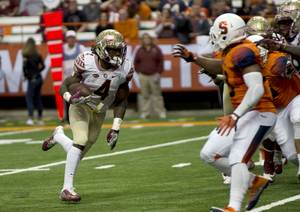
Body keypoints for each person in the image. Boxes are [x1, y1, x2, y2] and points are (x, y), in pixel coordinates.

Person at [172, 13, 277, 212]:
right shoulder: (233, 52)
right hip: (246, 114)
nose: (214, 37)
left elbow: (256, 89)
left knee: (237, 157)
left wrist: (236, 115)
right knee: (209, 154)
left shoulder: (244, 51)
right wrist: (194, 58)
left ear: (226, 32)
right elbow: (222, 66)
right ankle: (255, 182)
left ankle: (233, 208)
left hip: (259, 112)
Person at [42, 29, 134, 202]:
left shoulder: (126, 68)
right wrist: (70, 99)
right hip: (81, 106)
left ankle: (59, 136)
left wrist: (116, 129)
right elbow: (65, 84)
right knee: (81, 141)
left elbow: (122, 100)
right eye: (111, 49)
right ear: (100, 48)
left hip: (100, 111)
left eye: (118, 49)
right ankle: (66, 189)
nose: (116, 53)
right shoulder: (86, 61)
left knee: (78, 151)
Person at [256, 0, 300, 180]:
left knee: (298, 119)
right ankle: (280, 156)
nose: (283, 26)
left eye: (287, 22)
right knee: (290, 154)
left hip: (296, 92)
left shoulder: (287, 41)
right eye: (280, 22)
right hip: (287, 93)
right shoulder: (276, 38)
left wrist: (281, 47)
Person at [134, 33, 167, 119]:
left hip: (154, 75)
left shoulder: (156, 49)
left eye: (148, 38)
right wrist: (139, 72)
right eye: (145, 38)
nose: (147, 40)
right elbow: (136, 62)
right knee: (144, 95)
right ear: (142, 40)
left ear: (151, 39)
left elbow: (161, 61)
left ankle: (161, 112)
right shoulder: (140, 50)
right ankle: (145, 113)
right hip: (143, 75)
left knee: (157, 94)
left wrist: (159, 72)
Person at [62, 30, 86, 124]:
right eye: (69, 37)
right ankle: (68, 119)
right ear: (66, 39)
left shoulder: (80, 48)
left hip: (78, 79)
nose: (71, 39)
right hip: (66, 78)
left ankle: (81, 117)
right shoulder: (62, 48)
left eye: (72, 37)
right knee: (68, 99)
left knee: (80, 98)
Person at [22, 37, 45, 126]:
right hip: (39, 78)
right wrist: (38, 72)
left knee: (29, 98)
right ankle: (39, 118)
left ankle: (30, 118)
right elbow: (43, 66)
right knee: (38, 98)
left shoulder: (26, 54)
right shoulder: (38, 54)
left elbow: (24, 67)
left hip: (32, 79)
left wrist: (26, 75)